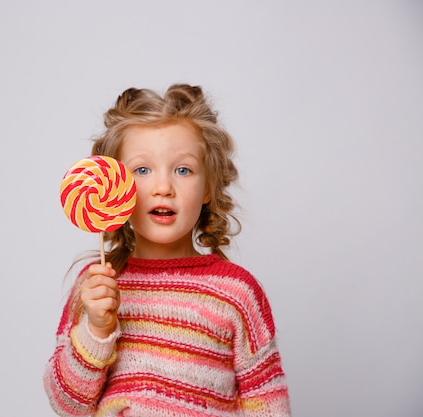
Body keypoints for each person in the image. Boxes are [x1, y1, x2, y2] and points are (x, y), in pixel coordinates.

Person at [44, 84, 292, 416]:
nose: (163, 188)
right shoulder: (97, 288)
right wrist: (95, 330)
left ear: (209, 186)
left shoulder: (237, 292)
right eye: (142, 170)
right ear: (115, 184)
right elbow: (68, 405)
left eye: (183, 170)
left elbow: (266, 401)